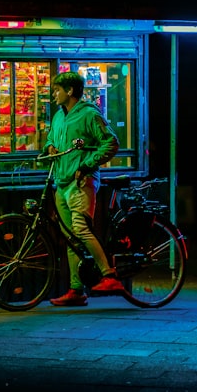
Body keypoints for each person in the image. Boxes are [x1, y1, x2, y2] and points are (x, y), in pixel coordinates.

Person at [44, 70, 122, 306]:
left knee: (80, 228)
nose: (53, 93)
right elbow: (51, 138)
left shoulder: (89, 114)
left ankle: (109, 274)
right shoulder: (59, 116)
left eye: (57, 89)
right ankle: (76, 290)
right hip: (62, 180)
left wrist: (87, 165)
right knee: (70, 237)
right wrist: (50, 147)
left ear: (70, 91)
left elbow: (111, 142)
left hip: (81, 181)